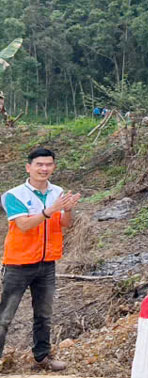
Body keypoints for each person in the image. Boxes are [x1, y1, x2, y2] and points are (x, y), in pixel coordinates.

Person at [0, 147, 81, 371]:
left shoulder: (58, 191)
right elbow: (24, 225)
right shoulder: (14, 194)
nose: (44, 169)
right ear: (29, 167)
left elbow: (65, 224)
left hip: (47, 264)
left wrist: (67, 210)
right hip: (18, 263)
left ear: (54, 167)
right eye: (39, 165)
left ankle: (41, 358)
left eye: (48, 164)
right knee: (5, 316)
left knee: (44, 315)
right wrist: (50, 210)